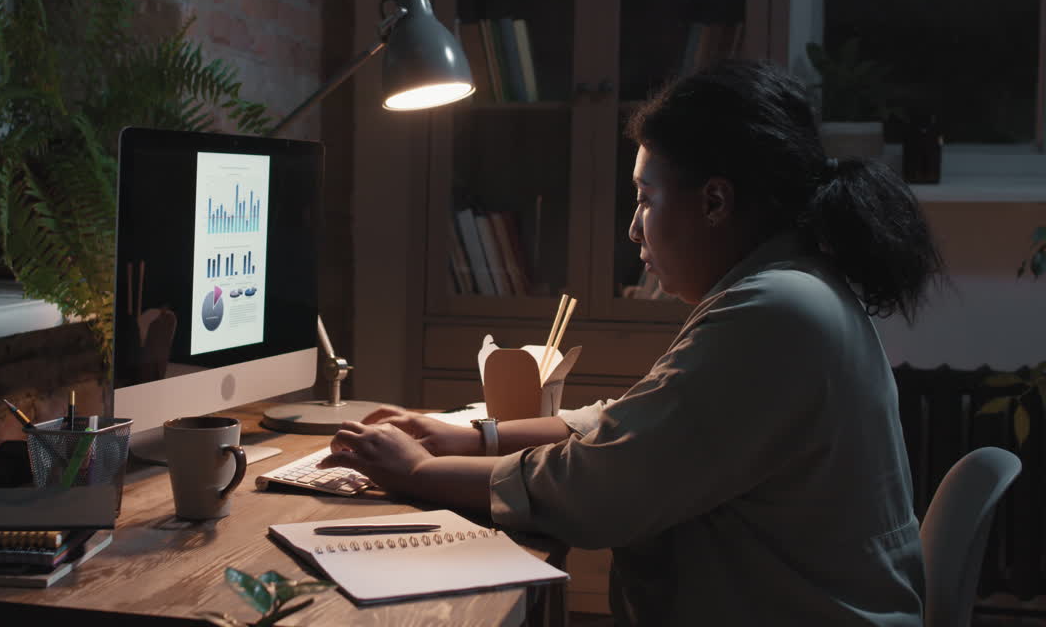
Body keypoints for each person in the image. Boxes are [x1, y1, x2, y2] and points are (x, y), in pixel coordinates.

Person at [319, 59, 943, 626]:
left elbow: (600, 487)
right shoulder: (791, 290)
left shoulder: (776, 311)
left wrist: (422, 471)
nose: (632, 226)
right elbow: (637, 422)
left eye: (645, 199)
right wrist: (476, 436)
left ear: (715, 201)